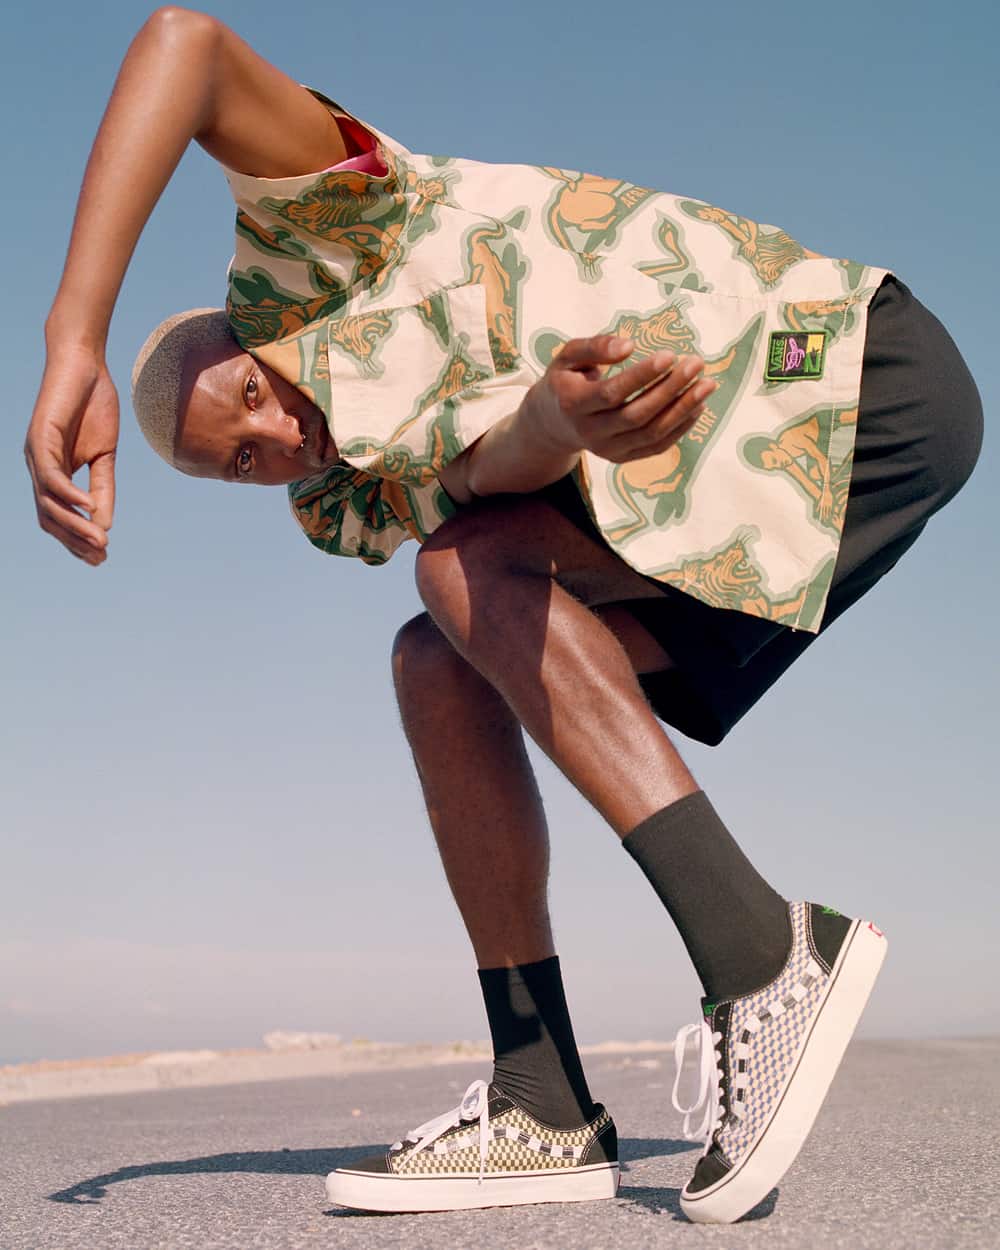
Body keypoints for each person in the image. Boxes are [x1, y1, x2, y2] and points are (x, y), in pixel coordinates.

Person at [24, 7, 982, 1224]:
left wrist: (74, 337)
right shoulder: (344, 498)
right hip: (728, 502)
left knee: (456, 575)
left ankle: (761, 956)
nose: (277, 437)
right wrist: (554, 425)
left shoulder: (325, 237)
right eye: (243, 464)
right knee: (438, 650)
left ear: (262, 332)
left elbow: (184, 41)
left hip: (838, 377)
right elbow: (490, 474)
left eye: (255, 393)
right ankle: (541, 1094)